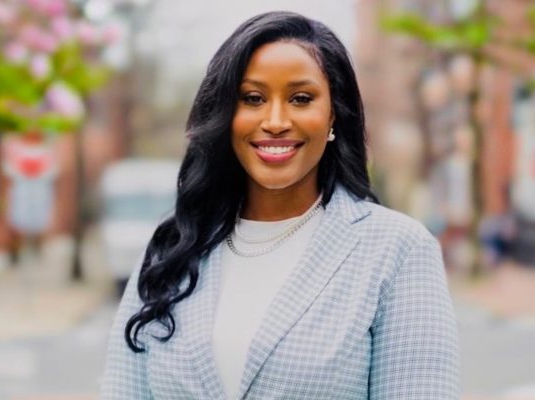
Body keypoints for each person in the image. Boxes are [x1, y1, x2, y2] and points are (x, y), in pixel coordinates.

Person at [100, 11, 459, 400]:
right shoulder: (172, 247)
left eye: (301, 99)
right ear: (225, 115)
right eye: (252, 99)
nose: (275, 121)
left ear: (333, 113)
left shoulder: (396, 251)